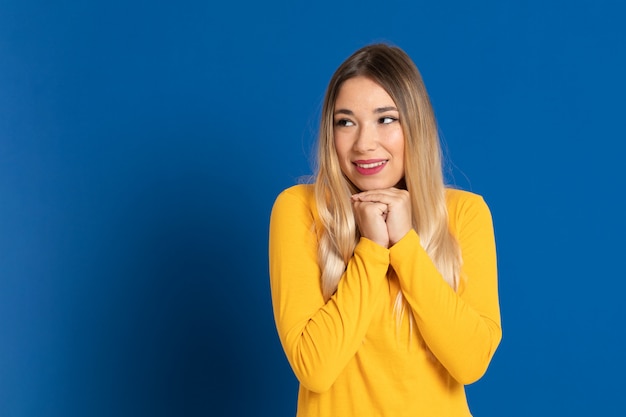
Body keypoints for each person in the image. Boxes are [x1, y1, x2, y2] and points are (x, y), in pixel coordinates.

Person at [268, 43, 501, 416]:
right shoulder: (300, 209)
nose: (364, 143)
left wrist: (405, 246)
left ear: (415, 125)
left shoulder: (465, 214)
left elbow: (471, 363)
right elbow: (315, 367)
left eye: (385, 119)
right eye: (346, 122)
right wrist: (372, 249)